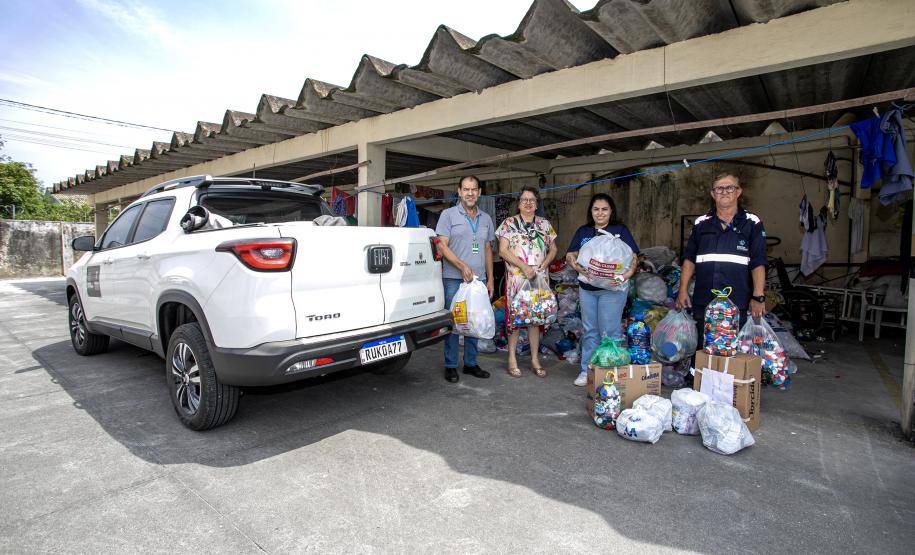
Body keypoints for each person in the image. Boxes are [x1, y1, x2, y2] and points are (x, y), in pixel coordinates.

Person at [676, 172, 767, 348]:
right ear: (712, 194)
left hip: (738, 301)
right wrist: (682, 290)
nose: (724, 192)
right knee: (703, 350)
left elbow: (758, 261)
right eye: (719, 188)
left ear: (738, 191)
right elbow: (689, 259)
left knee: (734, 351)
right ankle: (700, 376)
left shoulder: (752, 223)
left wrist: (758, 296)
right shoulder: (701, 223)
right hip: (705, 300)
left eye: (729, 187)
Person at [565, 193, 639, 386]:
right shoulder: (584, 231)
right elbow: (570, 254)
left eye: (604, 209)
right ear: (591, 211)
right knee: (590, 331)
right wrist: (576, 265)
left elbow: (633, 257)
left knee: (610, 331)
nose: (600, 213)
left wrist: (625, 276)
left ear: (611, 211)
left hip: (612, 290)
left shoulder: (620, 230)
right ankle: (587, 370)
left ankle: (611, 373)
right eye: (596, 209)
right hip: (587, 288)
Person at [435, 175, 496, 383]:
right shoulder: (448, 215)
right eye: (466, 189)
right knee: (455, 322)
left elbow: (488, 248)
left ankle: (470, 363)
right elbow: (441, 246)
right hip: (454, 279)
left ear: (479, 193)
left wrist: (490, 279)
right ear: (459, 192)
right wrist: (462, 266)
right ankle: (451, 365)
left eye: (474, 189)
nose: (470, 193)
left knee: (475, 321)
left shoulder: (486, 218)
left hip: (478, 280)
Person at [496, 186, 558, 378]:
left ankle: (534, 359)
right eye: (524, 199)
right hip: (517, 279)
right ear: (519, 203)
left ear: (537, 204)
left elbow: (554, 249)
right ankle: (512, 359)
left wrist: (543, 266)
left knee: (534, 319)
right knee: (515, 320)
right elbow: (503, 251)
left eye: (532, 200)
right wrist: (524, 267)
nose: (528, 203)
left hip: (538, 279)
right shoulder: (509, 223)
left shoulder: (545, 225)